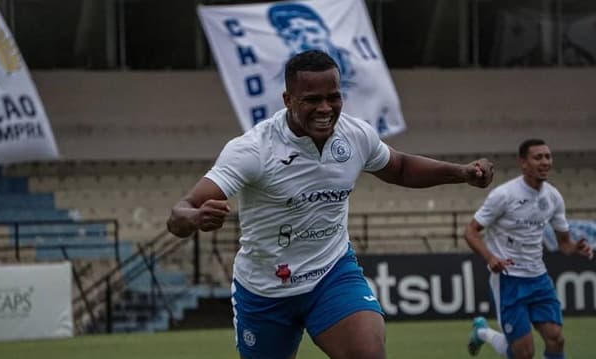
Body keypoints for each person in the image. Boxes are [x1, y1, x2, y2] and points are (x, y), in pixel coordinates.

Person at [167, 49, 493, 359]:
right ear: (288, 100)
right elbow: (179, 213)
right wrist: (195, 217)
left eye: (333, 97)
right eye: (312, 99)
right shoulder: (253, 150)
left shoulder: (355, 135)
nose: (326, 108)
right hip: (265, 289)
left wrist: (461, 173)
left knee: (368, 353)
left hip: (331, 275)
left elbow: (401, 168)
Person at [464, 139, 593, 359]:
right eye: (538, 157)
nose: (545, 162)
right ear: (523, 163)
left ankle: (483, 331)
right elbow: (470, 231)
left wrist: (576, 247)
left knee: (556, 339)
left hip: (538, 277)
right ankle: (482, 332)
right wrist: (490, 257)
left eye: (548, 157)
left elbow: (564, 244)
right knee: (523, 353)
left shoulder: (553, 197)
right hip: (509, 279)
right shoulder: (504, 195)